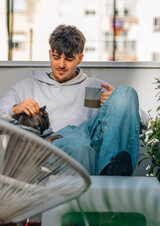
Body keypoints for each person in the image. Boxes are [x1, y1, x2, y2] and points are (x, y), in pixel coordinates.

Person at [0, 24, 148, 176]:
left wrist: (118, 104)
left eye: (69, 59)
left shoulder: (95, 86)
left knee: (125, 93)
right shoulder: (29, 86)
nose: (61, 65)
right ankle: (105, 177)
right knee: (78, 146)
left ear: (80, 58)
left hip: (91, 139)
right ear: (50, 54)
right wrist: (14, 109)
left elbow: (143, 120)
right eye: (56, 57)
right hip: (56, 144)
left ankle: (112, 168)